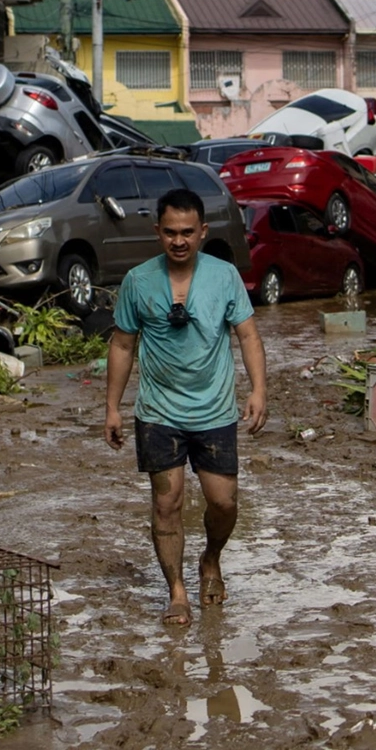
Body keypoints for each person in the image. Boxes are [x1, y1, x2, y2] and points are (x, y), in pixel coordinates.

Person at [104, 187, 267, 627]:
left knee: (224, 502)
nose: (179, 241)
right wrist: (113, 407)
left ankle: (210, 558)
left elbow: (248, 335)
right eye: (171, 232)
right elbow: (122, 343)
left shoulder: (225, 276)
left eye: (188, 232)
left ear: (203, 232)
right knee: (167, 502)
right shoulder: (139, 281)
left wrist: (258, 391)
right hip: (158, 413)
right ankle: (176, 591)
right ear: (158, 232)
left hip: (214, 411)